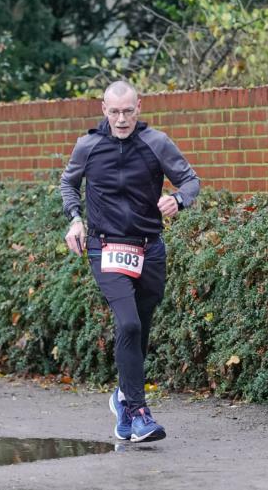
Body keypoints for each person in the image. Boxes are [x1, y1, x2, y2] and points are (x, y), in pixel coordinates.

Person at [60, 80, 200, 443]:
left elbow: (189, 180)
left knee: (139, 330)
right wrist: (75, 218)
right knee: (129, 324)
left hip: (150, 249)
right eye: (114, 111)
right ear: (103, 109)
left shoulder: (157, 143)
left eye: (128, 111)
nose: (121, 119)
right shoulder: (88, 146)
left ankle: (122, 400)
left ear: (139, 107)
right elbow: (68, 184)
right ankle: (138, 412)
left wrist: (178, 200)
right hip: (105, 248)